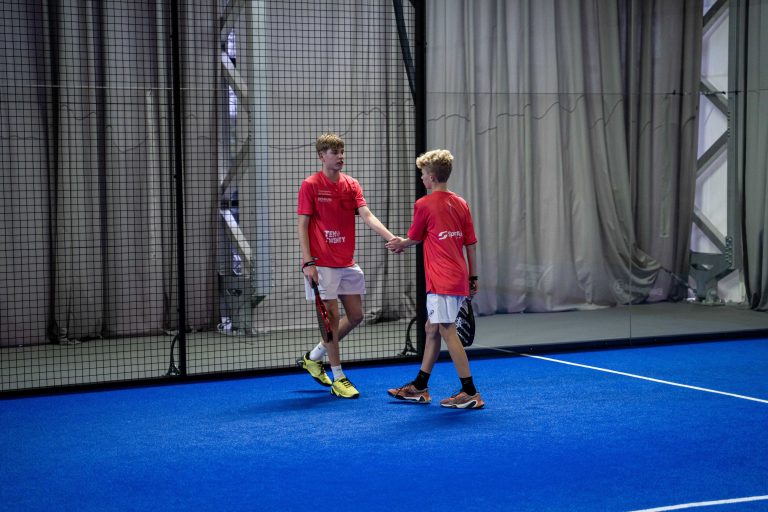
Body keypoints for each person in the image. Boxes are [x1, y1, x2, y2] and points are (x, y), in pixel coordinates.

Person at [297, 132, 399, 399]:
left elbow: (367, 215)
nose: (341, 156)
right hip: (321, 263)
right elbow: (303, 225)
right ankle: (338, 377)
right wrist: (308, 262)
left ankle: (313, 357)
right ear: (322, 156)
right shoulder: (310, 185)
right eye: (335, 152)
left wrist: (391, 238)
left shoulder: (352, 184)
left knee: (356, 316)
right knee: (330, 319)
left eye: (342, 152)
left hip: (346, 261)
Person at [385, 149, 484, 409]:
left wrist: (400, 244)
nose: (421, 178)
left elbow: (415, 237)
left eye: (422, 174)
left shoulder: (424, 204)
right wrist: (473, 275)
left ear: (431, 177)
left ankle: (470, 392)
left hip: (441, 280)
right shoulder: (461, 203)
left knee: (447, 330)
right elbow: (471, 243)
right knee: (432, 328)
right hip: (458, 276)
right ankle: (419, 387)